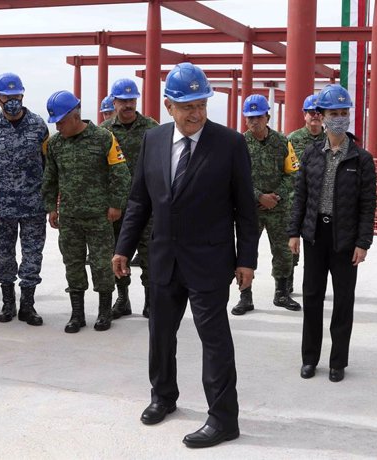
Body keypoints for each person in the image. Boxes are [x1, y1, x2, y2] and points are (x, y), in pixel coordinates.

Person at [112, 62, 258, 449]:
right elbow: (139, 199)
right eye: (186, 105)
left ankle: (224, 418)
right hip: (163, 259)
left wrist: (247, 260)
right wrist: (123, 247)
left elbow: (246, 208)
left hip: (210, 261)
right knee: (160, 333)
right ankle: (163, 396)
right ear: (168, 106)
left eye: (202, 104)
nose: (195, 113)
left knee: (214, 340)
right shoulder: (153, 140)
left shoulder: (229, 143)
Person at [288, 84, 377, 383]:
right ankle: (309, 358)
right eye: (333, 113)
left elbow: (368, 205)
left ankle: (338, 361)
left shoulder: (361, 159)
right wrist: (293, 232)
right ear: (321, 117)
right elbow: (300, 195)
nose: (339, 118)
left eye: (344, 113)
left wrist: (363, 242)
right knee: (312, 298)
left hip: (346, 240)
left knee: (343, 301)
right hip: (315, 236)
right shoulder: (312, 154)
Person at [42, 90, 130, 333]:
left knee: (102, 265)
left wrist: (116, 204)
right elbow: (50, 178)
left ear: (74, 115)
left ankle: (104, 313)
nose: (58, 127)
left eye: (60, 121)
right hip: (69, 217)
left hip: (100, 217)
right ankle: (77, 314)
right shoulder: (55, 144)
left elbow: (120, 174)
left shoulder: (104, 138)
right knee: (73, 264)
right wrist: (51, 207)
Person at [0, 72, 48, 326]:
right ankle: (8, 303)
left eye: (16, 95)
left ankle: (27, 306)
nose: (12, 100)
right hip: (2, 206)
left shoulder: (38, 125)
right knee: (4, 255)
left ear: (22, 95)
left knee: (32, 256)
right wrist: (0, 186)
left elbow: (46, 162)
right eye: (7, 96)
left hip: (33, 205)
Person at [232, 94, 300, 315]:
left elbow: (293, 174)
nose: (254, 121)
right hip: (249, 209)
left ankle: (282, 293)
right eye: (250, 117)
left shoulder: (282, 142)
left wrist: (276, 196)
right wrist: (259, 196)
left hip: (279, 209)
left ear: (267, 116)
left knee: (282, 251)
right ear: (245, 119)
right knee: (246, 251)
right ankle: (245, 296)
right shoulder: (239, 143)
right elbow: (234, 178)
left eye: (258, 116)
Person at [101, 78, 159, 319]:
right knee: (117, 253)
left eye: (132, 100)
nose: (128, 105)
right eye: (123, 101)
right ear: (114, 102)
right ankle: (123, 300)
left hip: (147, 205)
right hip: (116, 206)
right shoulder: (103, 132)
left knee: (149, 255)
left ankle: (150, 302)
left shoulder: (152, 127)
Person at [286, 94, 326, 293]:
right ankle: (287, 284)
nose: (315, 116)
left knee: (318, 247)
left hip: (320, 203)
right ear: (304, 115)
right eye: (311, 112)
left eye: (319, 113)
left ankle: (315, 286)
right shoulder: (293, 139)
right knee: (291, 246)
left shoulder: (330, 139)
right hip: (296, 201)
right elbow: (285, 170)